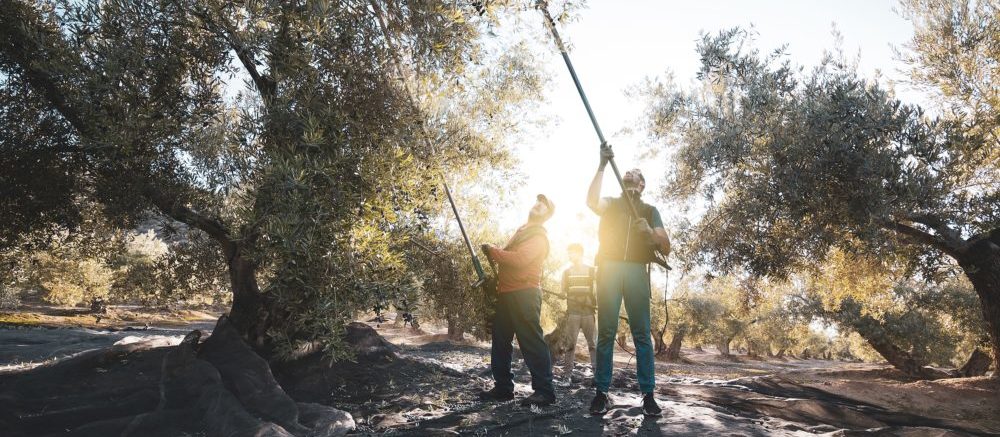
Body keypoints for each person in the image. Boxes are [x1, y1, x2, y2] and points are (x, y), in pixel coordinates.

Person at [586, 146, 671, 417]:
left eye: (636, 173)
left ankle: (648, 396)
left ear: (642, 184)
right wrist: (601, 165)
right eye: (627, 172)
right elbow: (591, 201)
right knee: (607, 332)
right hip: (609, 268)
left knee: (642, 335)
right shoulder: (611, 203)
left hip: (636, 271)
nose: (630, 173)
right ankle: (601, 392)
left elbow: (666, 246)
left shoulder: (650, 210)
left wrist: (651, 233)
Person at [479, 194, 557, 407]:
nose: (539, 205)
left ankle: (545, 391)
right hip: (507, 293)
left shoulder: (539, 237)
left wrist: (493, 251)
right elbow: (508, 258)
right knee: (501, 341)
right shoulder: (522, 230)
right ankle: (503, 388)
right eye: (538, 202)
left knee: (531, 342)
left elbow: (520, 260)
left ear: (547, 215)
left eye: (544, 205)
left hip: (525, 294)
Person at [560, 243, 597, 382]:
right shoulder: (566, 273)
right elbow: (562, 292)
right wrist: (562, 294)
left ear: (580, 253)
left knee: (593, 345)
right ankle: (567, 376)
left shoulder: (592, 271)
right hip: (573, 314)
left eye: (572, 252)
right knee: (570, 345)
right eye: (569, 253)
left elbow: (598, 292)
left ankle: (597, 377)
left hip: (589, 313)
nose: (570, 255)